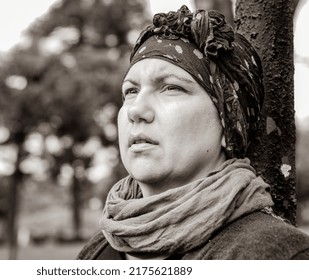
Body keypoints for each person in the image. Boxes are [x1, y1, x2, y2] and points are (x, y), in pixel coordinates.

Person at [77, 5, 309, 260]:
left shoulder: (275, 257)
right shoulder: (97, 251)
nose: (136, 110)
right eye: (130, 91)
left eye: (171, 88)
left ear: (228, 123)